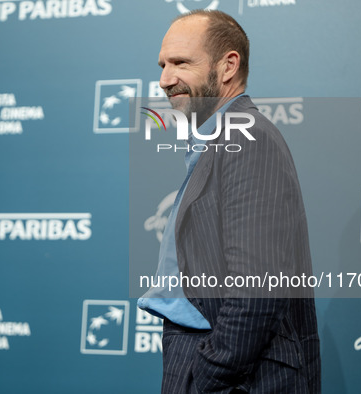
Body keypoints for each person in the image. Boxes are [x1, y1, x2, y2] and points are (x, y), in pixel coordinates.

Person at [137, 10, 321, 393]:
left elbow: (258, 287)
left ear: (228, 66)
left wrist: (209, 375)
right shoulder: (216, 143)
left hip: (237, 377)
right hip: (200, 358)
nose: (165, 79)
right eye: (163, 65)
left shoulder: (248, 139)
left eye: (181, 63)